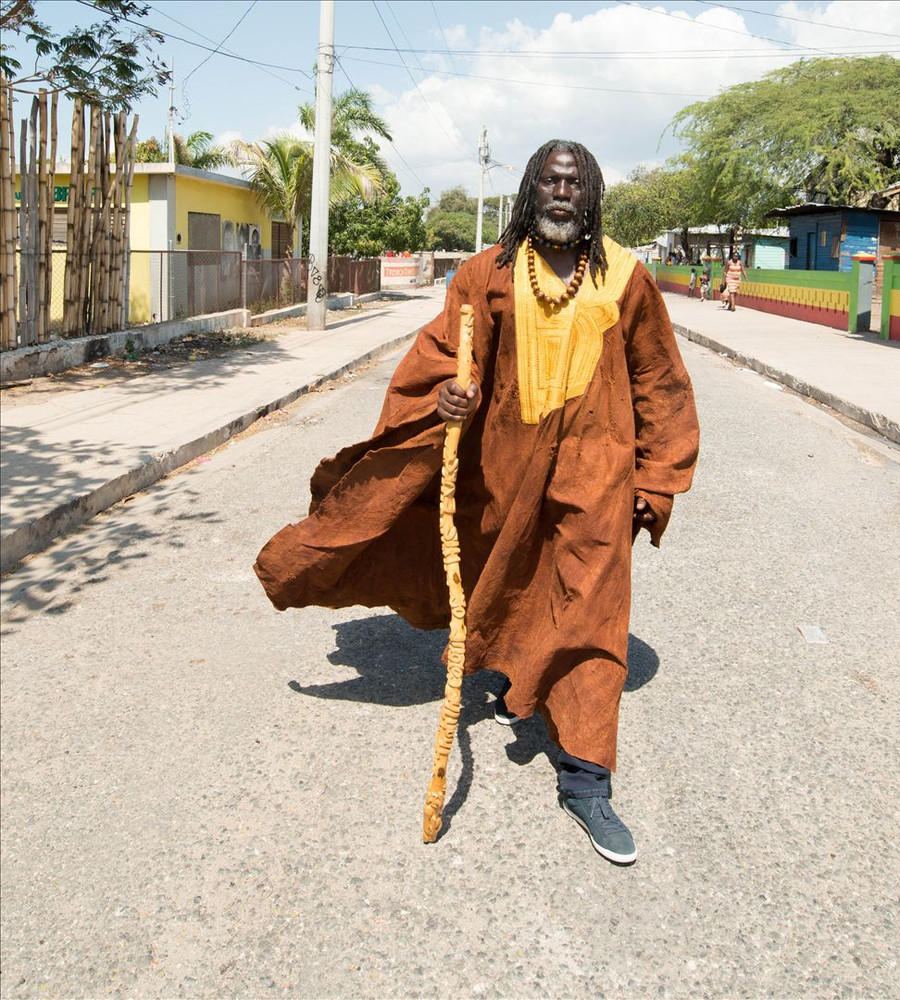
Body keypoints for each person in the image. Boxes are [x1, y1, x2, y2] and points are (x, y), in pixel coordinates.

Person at [253, 139, 700, 865]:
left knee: (591, 608)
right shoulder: (486, 273)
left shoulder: (627, 277)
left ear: (592, 196)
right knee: (510, 585)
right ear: (531, 189)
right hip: (502, 473)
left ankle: (587, 776)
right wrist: (447, 396)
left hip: (597, 475)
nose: (562, 194)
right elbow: (442, 362)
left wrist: (655, 478)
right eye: (551, 182)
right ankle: (516, 674)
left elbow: (660, 381)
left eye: (575, 183)